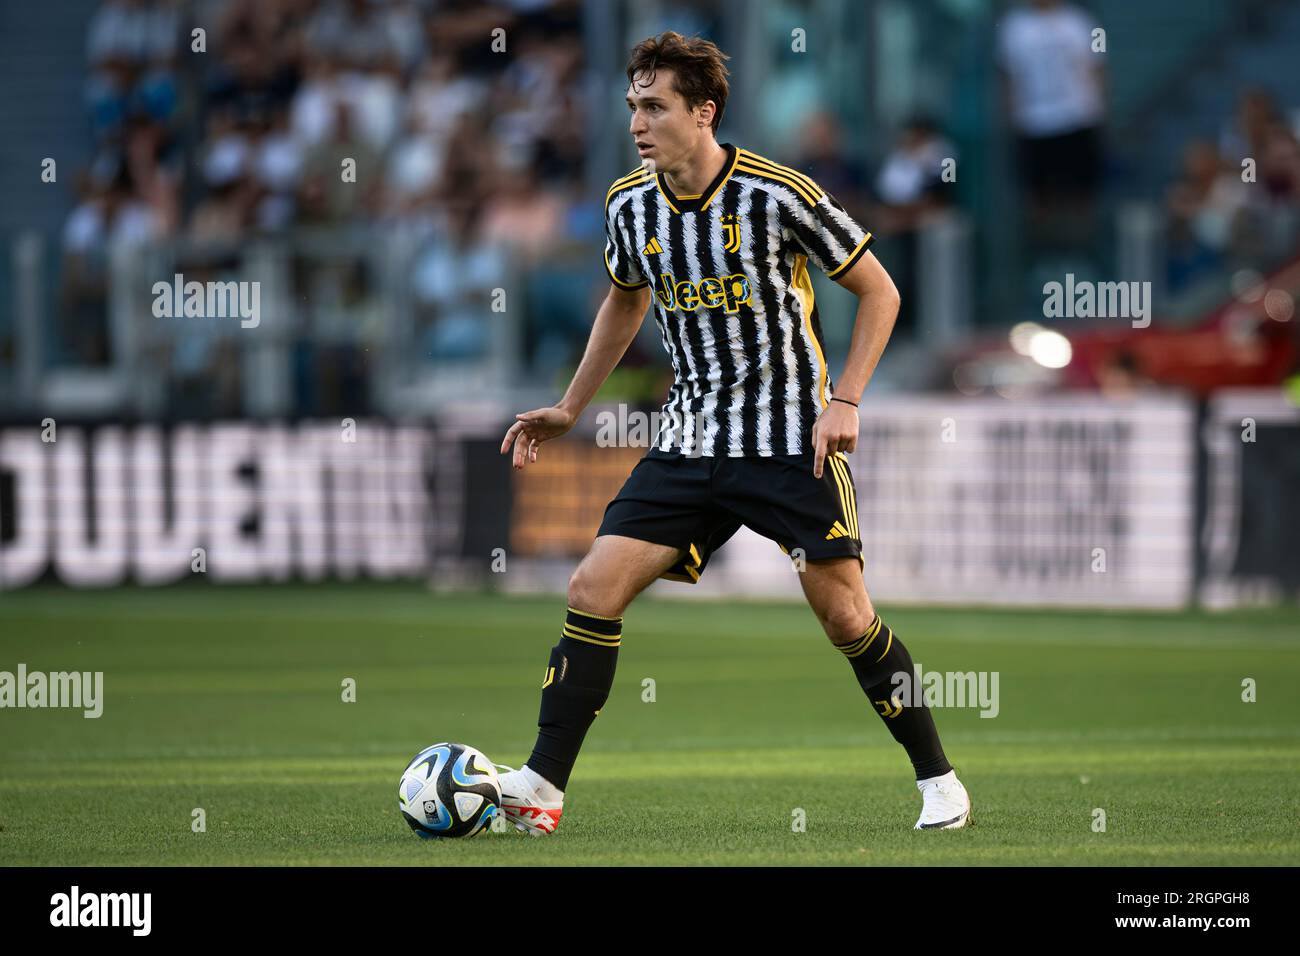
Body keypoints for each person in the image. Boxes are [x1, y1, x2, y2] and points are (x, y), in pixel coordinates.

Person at [497, 31, 971, 834]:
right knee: (591, 589)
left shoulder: (777, 194)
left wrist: (846, 399)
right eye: (632, 107)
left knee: (847, 619)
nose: (638, 123)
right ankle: (543, 787)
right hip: (690, 439)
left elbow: (881, 292)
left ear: (704, 111)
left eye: (655, 106)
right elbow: (625, 299)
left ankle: (940, 781)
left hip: (792, 439)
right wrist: (572, 406)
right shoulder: (629, 203)